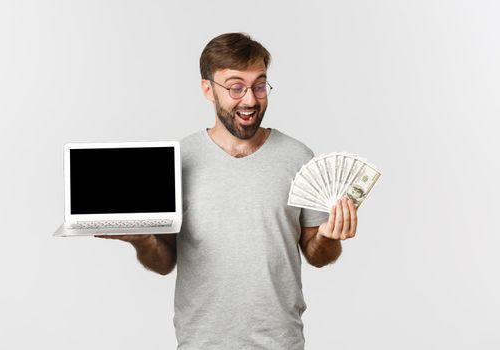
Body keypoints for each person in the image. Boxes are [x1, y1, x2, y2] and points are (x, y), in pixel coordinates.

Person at [98, 32, 358, 350]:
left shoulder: (298, 158)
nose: (250, 100)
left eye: (260, 85)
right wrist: (142, 240)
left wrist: (329, 238)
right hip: (200, 343)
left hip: (279, 342)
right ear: (208, 89)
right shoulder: (178, 160)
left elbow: (317, 255)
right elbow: (164, 261)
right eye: (236, 87)